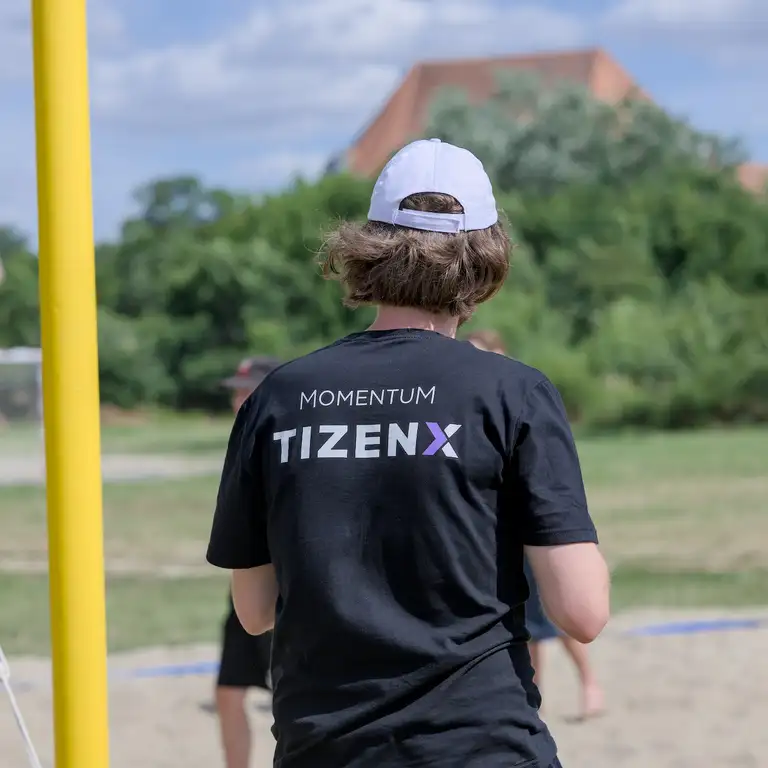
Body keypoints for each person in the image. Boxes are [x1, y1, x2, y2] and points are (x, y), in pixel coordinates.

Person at [206, 138, 610, 767]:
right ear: (487, 255)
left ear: (368, 247)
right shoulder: (512, 391)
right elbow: (582, 612)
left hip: (324, 748)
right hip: (479, 745)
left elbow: (255, 611)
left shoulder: (278, 397)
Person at [466, 329, 606, 720]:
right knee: (524, 624)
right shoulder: (476, 399)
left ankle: (590, 684)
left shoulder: (522, 392)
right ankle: (533, 697)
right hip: (499, 535)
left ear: (499, 352)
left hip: (533, 533)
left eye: (479, 352)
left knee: (559, 618)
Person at [216, 356, 281, 768]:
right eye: (237, 392)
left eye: (248, 390)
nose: (239, 398)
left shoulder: (287, 438)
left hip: (282, 589)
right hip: (245, 590)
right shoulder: (243, 439)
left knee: (289, 701)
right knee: (227, 693)